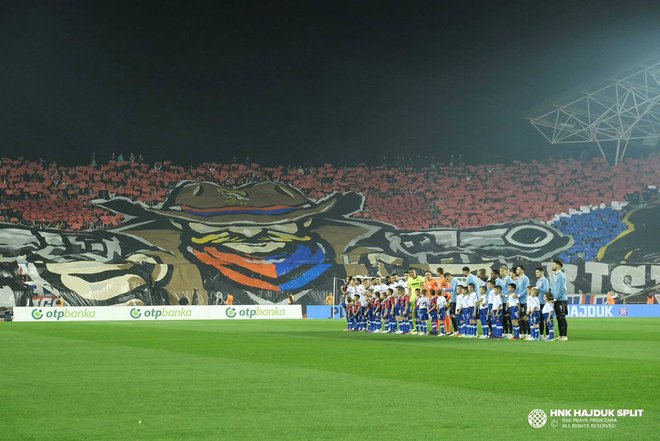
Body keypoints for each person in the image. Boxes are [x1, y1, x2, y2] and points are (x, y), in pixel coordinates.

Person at [551, 259, 568, 341]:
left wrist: (555, 298)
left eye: (553, 264)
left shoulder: (561, 275)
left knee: (562, 317)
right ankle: (561, 335)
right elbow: (554, 288)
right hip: (556, 299)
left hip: (561, 300)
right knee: (558, 317)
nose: (552, 266)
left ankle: (564, 336)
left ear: (558, 265)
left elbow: (561, 289)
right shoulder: (554, 275)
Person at [513, 265, 530, 335]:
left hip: (524, 301)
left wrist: (519, 295)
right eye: (516, 269)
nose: (516, 270)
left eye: (518, 269)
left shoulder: (526, 279)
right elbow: (516, 289)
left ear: (522, 270)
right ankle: (521, 333)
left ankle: (528, 334)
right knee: (519, 317)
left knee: (525, 317)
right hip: (518, 301)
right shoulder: (517, 279)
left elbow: (527, 289)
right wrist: (515, 294)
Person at [535, 267, 549, 338]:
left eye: (537, 272)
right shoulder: (538, 281)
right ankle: (541, 335)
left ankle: (547, 335)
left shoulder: (545, 280)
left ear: (542, 272)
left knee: (546, 319)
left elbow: (546, 290)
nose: (536, 273)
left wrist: (538, 288)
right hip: (538, 303)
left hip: (544, 303)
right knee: (540, 319)